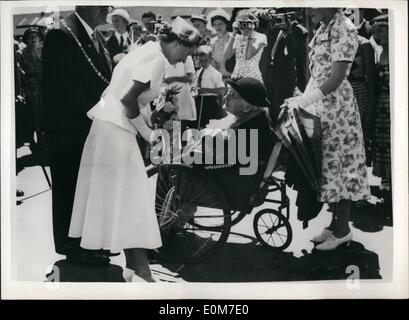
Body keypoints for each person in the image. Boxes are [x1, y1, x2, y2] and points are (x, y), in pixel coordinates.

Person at [68, 17, 201, 282]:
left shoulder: (147, 50)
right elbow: (127, 99)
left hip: (110, 129)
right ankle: (140, 270)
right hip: (115, 132)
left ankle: (136, 267)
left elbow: (135, 102)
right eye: (189, 51)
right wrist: (148, 132)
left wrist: (156, 118)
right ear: (177, 43)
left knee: (127, 201)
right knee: (132, 200)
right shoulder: (155, 58)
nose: (189, 58)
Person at [287, 8, 370, 250]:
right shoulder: (325, 26)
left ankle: (343, 230)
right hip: (321, 105)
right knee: (327, 167)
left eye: (314, 4)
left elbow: (336, 77)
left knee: (341, 167)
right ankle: (335, 226)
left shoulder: (344, 27)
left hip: (337, 109)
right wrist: (303, 97)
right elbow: (317, 73)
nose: (309, 9)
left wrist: (304, 100)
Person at [42, 6, 113, 264]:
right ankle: (72, 246)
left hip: (93, 125)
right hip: (69, 129)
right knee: (69, 189)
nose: (107, 11)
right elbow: (60, 87)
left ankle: (89, 241)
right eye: (102, 6)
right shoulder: (61, 35)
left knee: (88, 189)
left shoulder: (97, 36)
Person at [257, 8, 309, 126]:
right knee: (265, 109)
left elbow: (294, 52)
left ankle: (281, 140)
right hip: (266, 74)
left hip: (284, 77)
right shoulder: (270, 25)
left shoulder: (299, 31)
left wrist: (289, 32)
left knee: (279, 111)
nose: (281, 19)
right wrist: (263, 15)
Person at [369, 15, 391, 203]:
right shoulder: (378, 52)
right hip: (381, 102)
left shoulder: (398, 51)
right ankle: (386, 179)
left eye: (381, 30)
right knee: (382, 142)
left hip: (392, 101)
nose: (377, 34)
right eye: (375, 31)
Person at [17, 27, 46, 159]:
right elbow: (17, 75)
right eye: (30, 37)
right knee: (32, 116)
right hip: (29, 88)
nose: (33, 39)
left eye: (35, 36)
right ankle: (33, 143)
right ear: (26, 40)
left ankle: (41, 142)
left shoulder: (44, 51)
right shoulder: (20, 53)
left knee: (43, 115)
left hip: (43, 86)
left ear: (39, 38)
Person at [225, 11, 267, 82]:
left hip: (252, 77)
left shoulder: (261, 37)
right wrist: (234, 33)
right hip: (236, 76)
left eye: (246, 22)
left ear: (254, 23)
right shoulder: (236, 37)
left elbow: (249, 56)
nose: (243, 25)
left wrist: (250, 34)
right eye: (240, 22)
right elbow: (227, 56)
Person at [192, 45, 225, 128]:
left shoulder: (215, 74)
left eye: (206, 60)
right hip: (199, 102)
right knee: (198, 125)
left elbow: (221, 91)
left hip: (209, 103)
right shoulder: (199, 71)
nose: (203, 63)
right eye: (201, 60)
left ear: (211, 59)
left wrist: (205, 90)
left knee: (208, 127)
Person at [163, 55, 196, 122]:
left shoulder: (187, 56)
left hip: (182, 96)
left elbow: (190, 78)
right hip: (167, 96)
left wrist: (173, 79)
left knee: (178, 126)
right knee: (168, 125)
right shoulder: (165, 55)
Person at [209, 9, 234, 79]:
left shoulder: (233, 38)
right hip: (219, 78)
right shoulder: (212, 41)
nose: (218, 27)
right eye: (215, 24)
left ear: (226, 24)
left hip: (232, 77)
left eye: (220, 24)